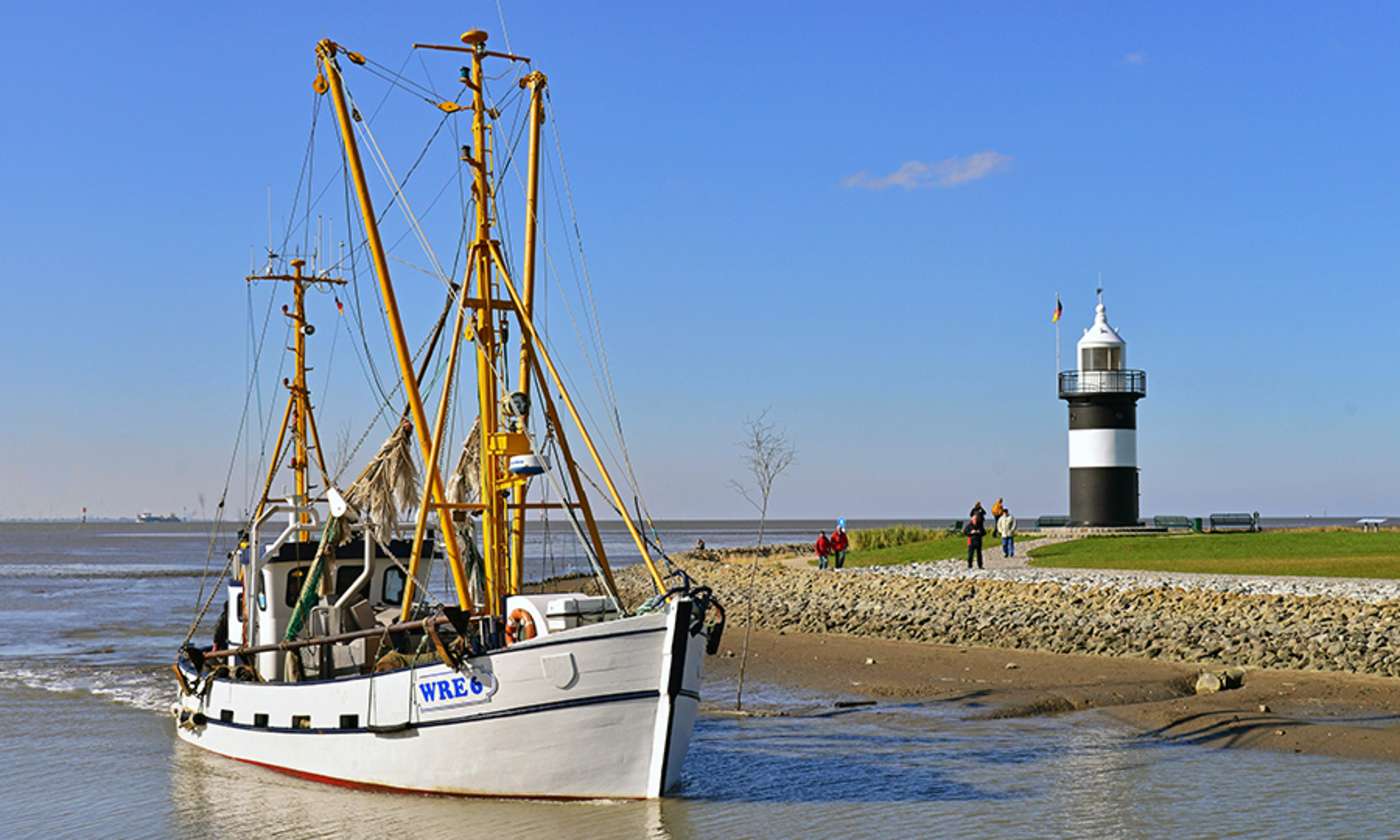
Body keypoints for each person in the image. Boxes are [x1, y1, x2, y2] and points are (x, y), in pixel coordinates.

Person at [964, 501, 986, 569]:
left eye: (976, 520)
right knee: (970, 554)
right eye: (974, 520)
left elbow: (984, 533)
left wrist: (979, 532)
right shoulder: (969, 525)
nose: (975, 521)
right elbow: (965, 532)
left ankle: (980, 565)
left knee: (979, 554)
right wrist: (971, 532)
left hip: (978, 541)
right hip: (971, 541)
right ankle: (969, 565)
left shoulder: (980, 525)